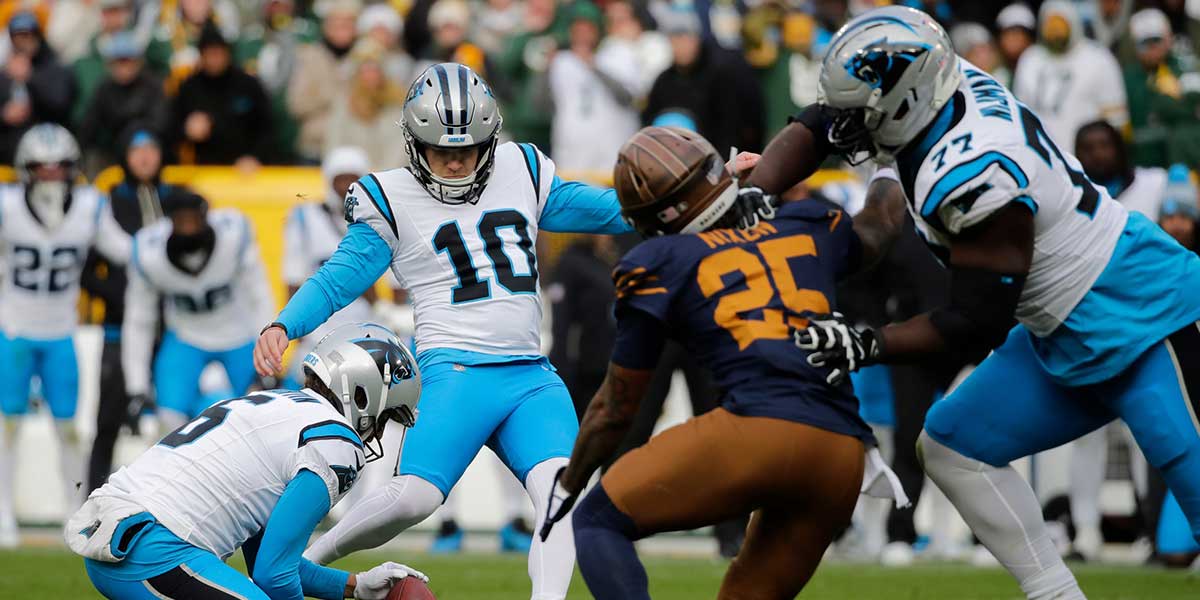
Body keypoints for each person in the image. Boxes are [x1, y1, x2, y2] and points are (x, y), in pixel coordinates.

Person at [741, 7, 1200, 599]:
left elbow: (972, 325)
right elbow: (839, 160)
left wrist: (864, 344)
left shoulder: (973, 170)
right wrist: (755, 191)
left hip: (1141, 311)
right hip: (1057, 325)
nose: (842, 125)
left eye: (859, 114)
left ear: (901, 104)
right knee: (954, 447)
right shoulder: (931, 84)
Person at [253, 63, 630, 600]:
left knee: (565, 492)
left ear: (491, 139)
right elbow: (339, 277)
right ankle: (297, 563)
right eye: (441, 149)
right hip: (455, 370)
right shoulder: (390, 196)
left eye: (468, 148)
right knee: (414, 498)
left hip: (530, 373)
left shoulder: (520, 168)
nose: (455, 161)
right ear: (413, 142)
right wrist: (285, 323)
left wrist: (708, 192)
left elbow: (612, 209)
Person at [538, 126, 906, 599]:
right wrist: (889, 163)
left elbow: (616, 407)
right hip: (842, 451)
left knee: (595, 521)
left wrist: (570, 484)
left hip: (760, 429)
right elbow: (880, 224)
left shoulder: (660, 260)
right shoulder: (804, 224)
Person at [67, 322, 429, 600]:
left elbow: (268, 562)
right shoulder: (334, 441)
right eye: (384, 417)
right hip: (156, 551)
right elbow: (274, 574)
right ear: (363, 395)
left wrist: (357, 586)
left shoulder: (276, 410)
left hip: (119, 534)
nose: (378, 431)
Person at [0, 124, 131, 548]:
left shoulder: (90, 207)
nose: (52, 177)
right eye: (43, 168)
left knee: (70, 429)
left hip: (61, 332)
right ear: (26, 170)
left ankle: (73, 516)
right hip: (14, 328)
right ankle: (2, 516)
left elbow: (128, 252)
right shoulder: (6, 206)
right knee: (6, 427)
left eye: (60, 169)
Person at [122, 189, 274, 436]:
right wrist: (136, 386)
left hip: (238, 335)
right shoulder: (149, 252)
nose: (188, 228)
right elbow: (139, 319)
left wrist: (269, 358)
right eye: (181, 221)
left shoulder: (233, 233)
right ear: (168, 223)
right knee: (168, 422)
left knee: (259, 417)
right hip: (186, 337)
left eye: (193, 220)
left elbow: (259, 294)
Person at [84, 128, 179, 494]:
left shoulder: (176, 201)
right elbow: (88, 270)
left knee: (174, 417)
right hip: (119, 330)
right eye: (136, 150)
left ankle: (170, 498)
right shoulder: (111, 202)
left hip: (172, 330)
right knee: (108, 420)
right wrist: (119, 296)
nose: (144, 158)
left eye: (151, 150)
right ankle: (92, 497)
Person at [283, 146, 377, 386]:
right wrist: (297, 328)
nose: (346, 186)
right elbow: (293, 276)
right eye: (341, 179)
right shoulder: (304, 217)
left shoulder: (377, 218)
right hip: (318, 324)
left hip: (363, 322)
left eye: (353, 179)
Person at [1012, 1, 1128, 150]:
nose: (1055, 30)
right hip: (1040, 156)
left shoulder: (1098, 58)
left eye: (1060, 23)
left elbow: (1117, 119)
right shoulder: (1030, 59)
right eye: (1050, 24)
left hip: (1090, 159)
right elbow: (1019, 113)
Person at [548, 1, 640, 172]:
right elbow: (542, 107)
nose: (582, 35)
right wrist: (544, 70)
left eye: (587, 28)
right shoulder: (562, 61)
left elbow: (628, 99)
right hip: (571, 157)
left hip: (610, 157)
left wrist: (593, 66)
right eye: (577, 29)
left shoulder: (618, 53)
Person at [168, 22, 273, 167]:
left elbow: (267, 127)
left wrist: (255, 156)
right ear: (201, 55)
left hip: (245, 171)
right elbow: (171, 128)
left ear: (227, 53)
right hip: (203, 169)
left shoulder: (248, 85)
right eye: (208, 54)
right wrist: (187, 130)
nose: (213, 60)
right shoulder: (189, 87)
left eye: (217, 53)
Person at [77, 31, 167, 172]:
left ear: (138, 63)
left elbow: (160, 124)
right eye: (118, 62)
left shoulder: (152, 87)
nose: (123, 68)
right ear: (109, 65)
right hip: (114, 154)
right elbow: (89, 127)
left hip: (147, 151)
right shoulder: (104, 88)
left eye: (127, 61)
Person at [287, 0, 361, 163]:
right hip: (316, 145)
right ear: (326, 27)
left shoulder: (365, 57)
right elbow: (296, 104)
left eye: (347, 25)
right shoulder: (309, 57)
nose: (342, 31)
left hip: (356, 147)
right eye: (336, 25)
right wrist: (332, 97)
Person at [0, 11, 74, 164]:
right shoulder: (5, 71)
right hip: (7, 152)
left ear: (38, 36)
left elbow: (59, 105)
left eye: (29, 35)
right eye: (18, 36)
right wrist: (4, 114)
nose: (24, 41)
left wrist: (30, 78)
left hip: (47, 155)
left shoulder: (56, 67)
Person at [323, 40, 408, 171]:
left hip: (390, 177)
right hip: (352, 178)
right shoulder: (345, 104)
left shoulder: (397, 104)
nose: (370, 76)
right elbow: (334, 143)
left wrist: (385, 176)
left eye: (375, 70)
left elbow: (401, 146)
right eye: (365, 71)